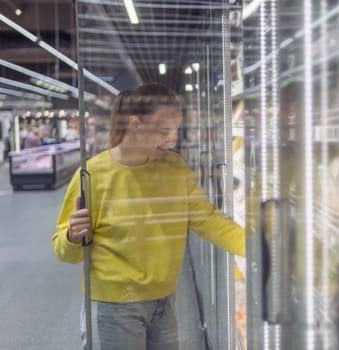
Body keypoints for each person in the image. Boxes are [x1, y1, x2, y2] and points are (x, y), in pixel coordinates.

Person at [52, 83, 245, 350]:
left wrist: (258, 247)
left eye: (175, 131)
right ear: (135, 124)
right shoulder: (93, 175)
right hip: (113, 307)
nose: (172, 140)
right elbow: (65, 252)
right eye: (164, 132)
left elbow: (209, 221)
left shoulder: (174, 168)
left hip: (164, 302)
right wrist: (73, 236)